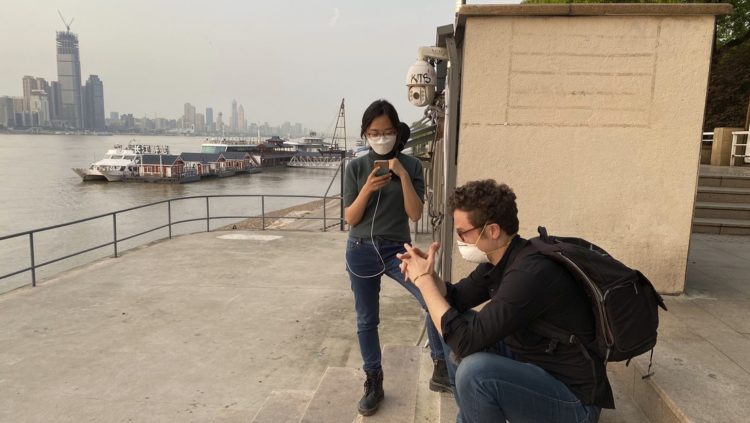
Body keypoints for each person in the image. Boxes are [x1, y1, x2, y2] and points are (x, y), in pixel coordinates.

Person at [397, 180, 613, 423]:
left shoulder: (530, 274)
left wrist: (424, 281)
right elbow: (455, 298)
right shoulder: (500, 259)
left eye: (462, 232)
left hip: (574, 402)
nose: (459, 240)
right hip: (534, 363)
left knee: (475, 372)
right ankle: (470, 417)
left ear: (492, 231)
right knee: (449, 317)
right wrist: (429, 275)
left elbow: (466, 342)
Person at [344, 99, 450, 416]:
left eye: (388, 131)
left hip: (398, 249)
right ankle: (373, 379)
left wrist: (403, 176)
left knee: (430, 298)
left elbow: (414, 212)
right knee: (367, 319)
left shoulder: (413, 166)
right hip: (361, 248)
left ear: (397, 132)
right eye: (375, 132)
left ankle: (441, 366)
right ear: (365, 133)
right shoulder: (356, 167)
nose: (382, 137)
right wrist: (367, 190)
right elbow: (350, 218)